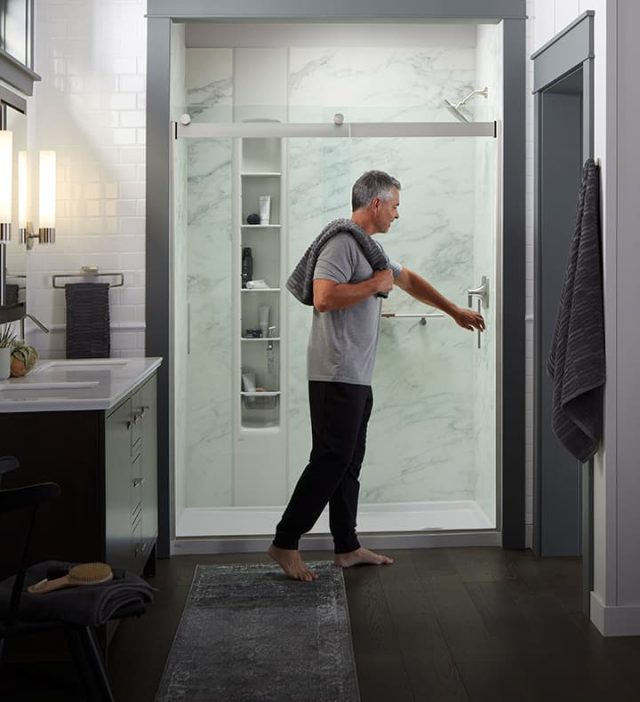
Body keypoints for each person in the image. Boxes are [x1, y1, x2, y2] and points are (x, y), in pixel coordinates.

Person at [268, 170, 485, 581]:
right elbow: (324, 297)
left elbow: (408, 281)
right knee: (331, 460)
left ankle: (346, 547)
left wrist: (454, 310)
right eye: (396, 205)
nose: (397, 215)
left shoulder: (369, 251)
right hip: (335, 371)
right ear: (376, 203)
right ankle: (284, 542)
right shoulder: (342, 243)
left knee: (348, 462)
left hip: (354, 374)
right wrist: (373, 286)